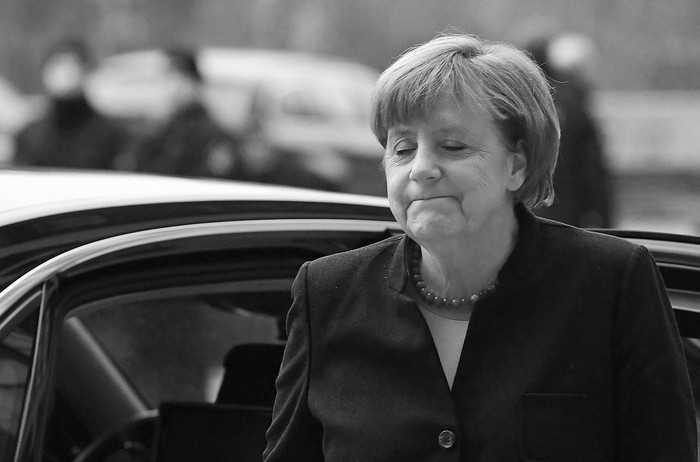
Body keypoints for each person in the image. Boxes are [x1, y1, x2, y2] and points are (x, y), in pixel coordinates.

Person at [263, 33, 696, 461]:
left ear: (516, 164)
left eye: (452, 147)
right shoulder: (327, 292)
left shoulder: (610, 284)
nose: (422, 169)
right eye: (403, 148)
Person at [527, 33, 614, 228]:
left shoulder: (540, 102)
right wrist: (603, 217)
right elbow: (590, 169)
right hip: (571, 214)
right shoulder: (574, 106)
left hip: (541, 209)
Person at [129, 48, 250, 180]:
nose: (170, 87)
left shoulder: (210, 133)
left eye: (176, 77)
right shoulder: (162, 130)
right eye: (166, 77)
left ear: (192, 81)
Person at [13, 39, 130, 169]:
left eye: (71, 64)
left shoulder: (110, 136)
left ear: (86, 72)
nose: (64, 72)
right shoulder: (30, 136)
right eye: (57, 63)